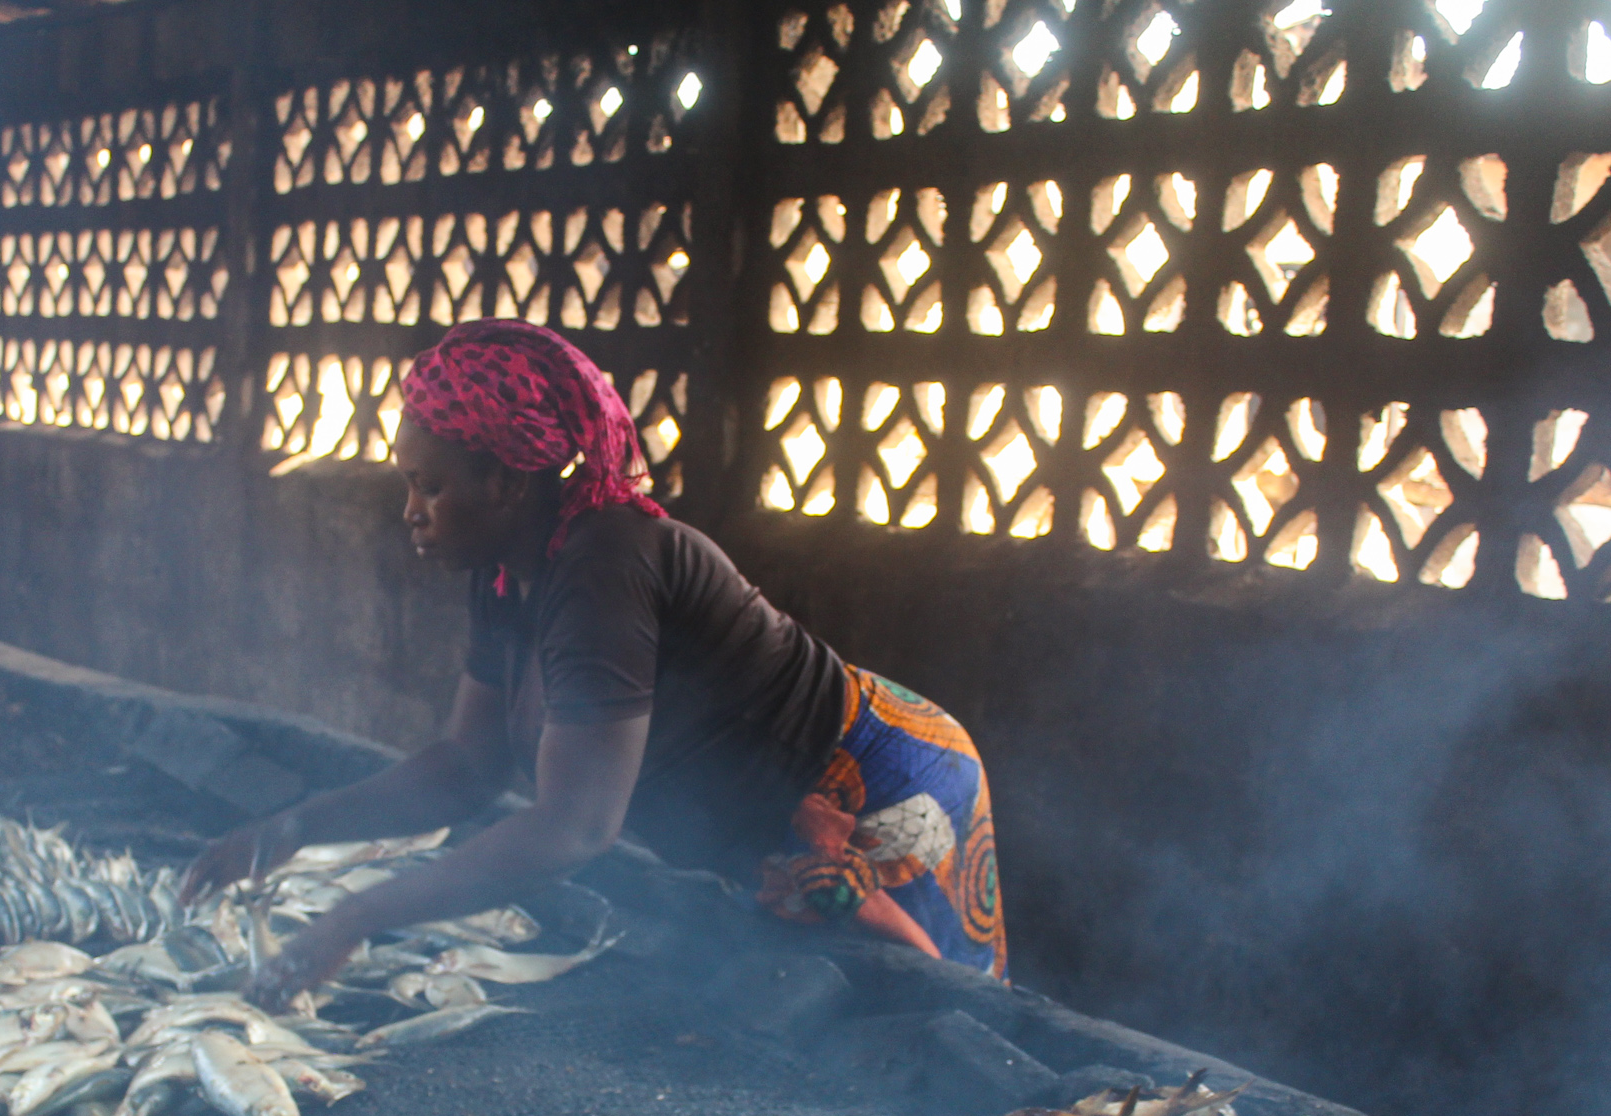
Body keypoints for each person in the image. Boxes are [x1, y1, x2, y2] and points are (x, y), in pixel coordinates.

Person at [183, 319, 1006, 1004]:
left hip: (880, 786)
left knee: (934, 1030)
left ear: (505, 480)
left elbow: (576, 825)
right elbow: (467, 768)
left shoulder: (605, 562)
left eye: (429, 486)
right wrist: (289, 830)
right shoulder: (509, 573)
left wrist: (356, 915)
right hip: (774, 827)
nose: (412, 511)